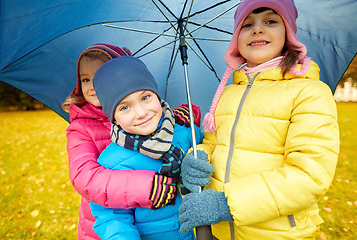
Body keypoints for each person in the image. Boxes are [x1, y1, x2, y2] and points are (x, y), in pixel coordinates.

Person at [178, 0, 340, 239]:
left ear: (288, 33)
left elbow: (308, 176)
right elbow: (215, 143)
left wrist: (226, 204)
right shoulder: (228, 92)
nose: (257, 29)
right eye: (247, 24)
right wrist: (199, 155)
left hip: (276, 232)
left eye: (271, 21)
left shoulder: (309, 93)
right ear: (236, 39)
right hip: (221, 232)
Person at [64, 43, 179, 240]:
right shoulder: (80, 128)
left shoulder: (139, 113)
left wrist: (183, 115)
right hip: (104, 220)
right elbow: (84, 178)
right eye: (85, 79)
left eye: (100, 76)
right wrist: (144, 187)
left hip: (145, 217)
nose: (92, 86)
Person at [90, 56, 202, 239]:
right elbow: (112, 219)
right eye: (125, 107)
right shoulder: (111, 163)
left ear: (157, 96)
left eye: (145, 97)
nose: (141, 113)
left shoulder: (186, 132)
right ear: (114, 118)